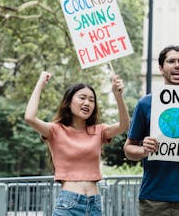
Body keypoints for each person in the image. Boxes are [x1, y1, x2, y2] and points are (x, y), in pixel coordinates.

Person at [123, 45, 179, 216]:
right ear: (161, 68)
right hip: (153, 198)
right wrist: (144, 149)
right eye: (171, 61)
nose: (177, 65)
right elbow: (128, 149)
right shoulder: (145, 104)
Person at [25, 71, 129, 216]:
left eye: (92, 100)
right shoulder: (55, 130)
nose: (87, 103)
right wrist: (41, 82)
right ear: (69, 102)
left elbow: (124, 125)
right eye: (82, 98)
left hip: (95, 204)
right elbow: (29, 117)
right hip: (69, 204)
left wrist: (118, 96)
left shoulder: (98, 131)